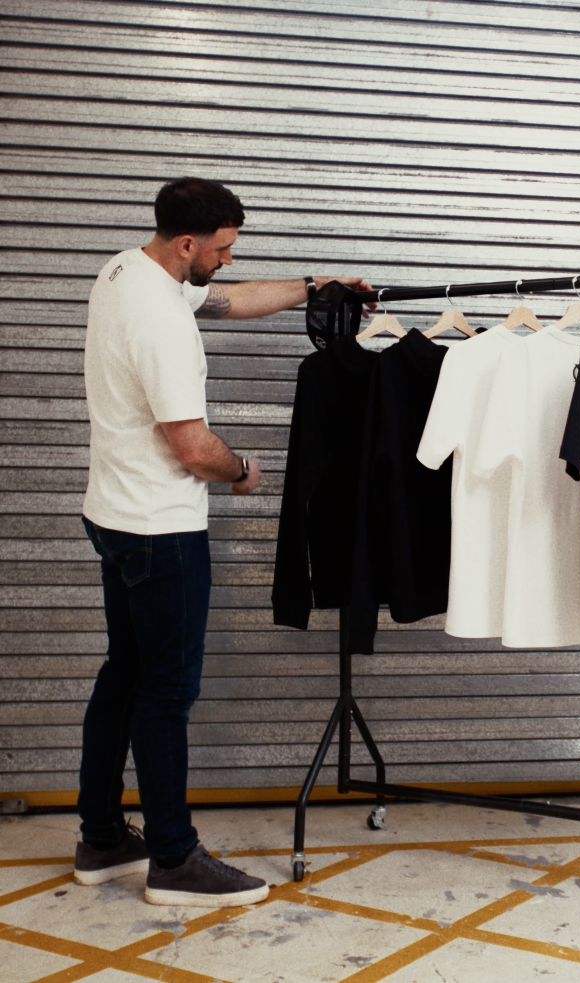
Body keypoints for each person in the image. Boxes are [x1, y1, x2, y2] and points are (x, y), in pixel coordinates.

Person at [73, 177, 374, 907]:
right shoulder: (161, 322)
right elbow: (192, 445)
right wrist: (241, 470)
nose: (229, 261)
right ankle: (174, 858)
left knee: (124, 673)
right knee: (166, 693)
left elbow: (231, 299)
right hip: (160, 530)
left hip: (113, 514)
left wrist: (314, 286)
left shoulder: (127, 270)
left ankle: (103, 836)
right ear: (187, 244)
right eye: (223, 249)